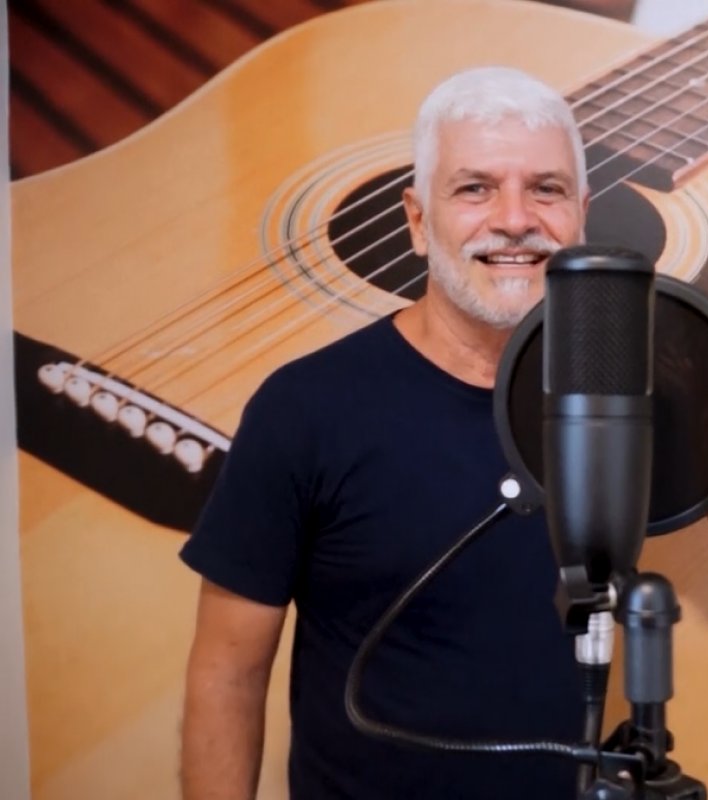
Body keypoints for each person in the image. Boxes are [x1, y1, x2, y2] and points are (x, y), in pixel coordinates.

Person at [179, 66, 591, 799]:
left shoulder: (617, 403)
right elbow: (226, 674)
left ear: (581, 216)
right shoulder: (305, 408)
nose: (515, 218)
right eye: (475, 188)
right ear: (417, 220)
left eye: (547, 189)